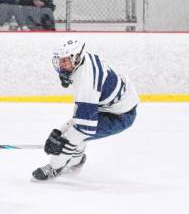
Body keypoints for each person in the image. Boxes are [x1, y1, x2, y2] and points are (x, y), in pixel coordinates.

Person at [32, 38, 139, 181]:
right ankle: (77, 162)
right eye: (59, 60)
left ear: (76, 58)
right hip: (112, 106)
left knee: (74, 136)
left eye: (65, 61)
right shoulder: (83, 60)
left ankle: (54, 169)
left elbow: (83, 128)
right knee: (70, 131)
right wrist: (58, 133)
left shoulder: (86, 81)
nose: (61, 65)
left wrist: (60, 142)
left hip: (120, 116)